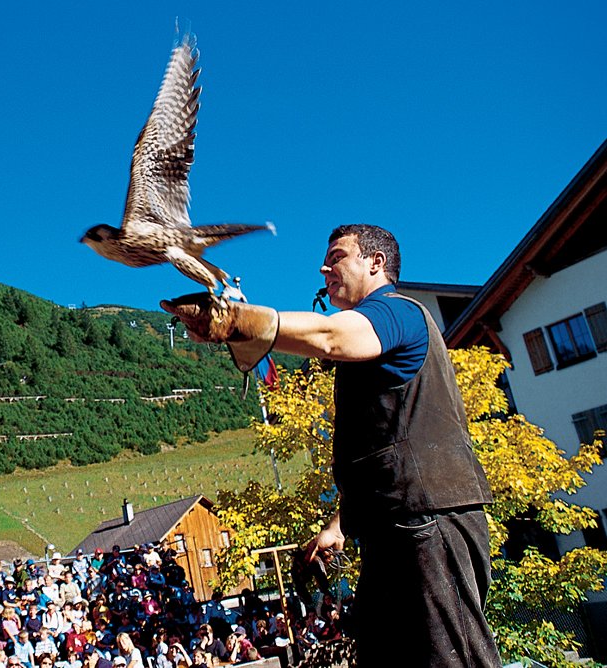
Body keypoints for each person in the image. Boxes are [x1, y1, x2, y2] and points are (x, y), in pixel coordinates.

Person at [162, 223, 501, 666]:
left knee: (451, 659)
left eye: (338, 256)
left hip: (428, 520)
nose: (324, 267)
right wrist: (339, 526)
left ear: (376, 263)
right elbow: (389, 448)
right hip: (396, 523)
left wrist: (239, 322)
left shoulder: (395, 312)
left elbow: (329, 336)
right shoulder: (377, 334)